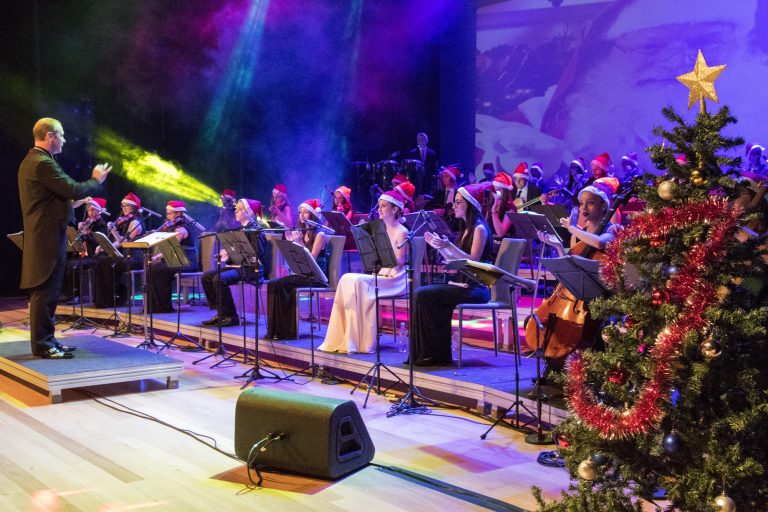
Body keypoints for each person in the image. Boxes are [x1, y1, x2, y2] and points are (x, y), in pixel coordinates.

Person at [18, 117, 111, 358]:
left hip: (47, 236)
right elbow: (72, 188)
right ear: (50, 136)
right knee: (45, 294)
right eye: (61, 135)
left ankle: (49, 340)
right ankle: (43, 345)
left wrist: (73, 201)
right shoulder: (41, 163)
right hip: (46, 238)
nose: (64, 140)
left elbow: (57, 197)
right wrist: (96, 179)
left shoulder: (36, 160)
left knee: (50, 293)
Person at [409, 183, 493, 366]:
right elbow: (456, 261)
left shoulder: (479, 229)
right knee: (420, 293)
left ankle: (434, 355)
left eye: (458, 202)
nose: (453, 206)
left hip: (476, 288)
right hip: (463, 284)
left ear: (470, 205)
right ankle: (430, 353)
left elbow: (473, 261)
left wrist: (449, 246)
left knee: (424, 294)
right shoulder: (467, 229)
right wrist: (439, 247)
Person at [318, 190, 409, 354]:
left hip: (395, 279)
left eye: (384, 206)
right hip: (382, 274)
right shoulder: (380, 229)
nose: (379, 210)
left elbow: (400, 262)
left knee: (359, 282)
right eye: (379, 206)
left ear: (395, 209)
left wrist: (381, 250)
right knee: (346, 278)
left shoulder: (402, 231)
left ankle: (361, 341)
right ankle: (344, 336)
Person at [265, 199, 330, 339]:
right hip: (303, 274)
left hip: (316, 277)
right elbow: (297, 258)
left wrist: (299, 242)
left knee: (283, 284)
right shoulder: (302, 232)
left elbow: (311, 261)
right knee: (273, 284)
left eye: (306, 212)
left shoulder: (320, 234)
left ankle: (286, 331)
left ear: (313, 215)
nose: (301, 215)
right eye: (300, 212)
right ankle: (274, 329)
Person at [201, 198, 268, 327]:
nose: (236, 211)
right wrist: (228, 256)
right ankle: (221, 313)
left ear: (248, 212)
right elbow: (237, 254)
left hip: (252, 270)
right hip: (240, 267)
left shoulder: (256, 231)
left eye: (239, 209)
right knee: (207, 276)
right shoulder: (239, 229)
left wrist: (236, 254)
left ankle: (231, 316)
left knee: (219, 279)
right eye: (237, 208)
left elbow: (257, 256)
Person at [92, 193, 144, 308]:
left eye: (127, 206)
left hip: (135, 258)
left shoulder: (135, 222)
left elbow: (124, 242)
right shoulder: (129, 221)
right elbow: (121, 241)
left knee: (105, 262)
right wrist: (104, 246)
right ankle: (107, 298)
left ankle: (113, 297)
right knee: (101, 260)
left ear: (134, 208)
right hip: (126, 256)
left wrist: (114, 231)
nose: (124, 208)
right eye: (122, 206)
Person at [147, 201, 198, 314]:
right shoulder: (172, 228)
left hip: (186, 262)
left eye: (170, 214)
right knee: (154, 268)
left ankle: (163, 307)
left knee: (159, 269)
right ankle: (154, 306)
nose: (167, 216)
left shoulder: (181, 230)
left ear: (178, 214)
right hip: (174, 261)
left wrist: (156, 257)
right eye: (167, 213)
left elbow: (171, 248)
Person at [61, 197, 109, 304]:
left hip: (96, 257)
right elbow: (80, 241)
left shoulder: (101, 224)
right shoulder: (89, 222)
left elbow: (99, 244)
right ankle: (69, 294)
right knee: (65, 263)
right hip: (86, 255)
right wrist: (79, 233)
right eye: (88, 210)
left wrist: (87, 235)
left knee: (73, 265)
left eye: (93, 210)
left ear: (99, 211)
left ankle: (76, 296)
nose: (90, 213)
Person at [487, 171, 516, 238]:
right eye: (494, 189)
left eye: (499, 189)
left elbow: (500, 234)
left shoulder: (510, 209)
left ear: (505, 191)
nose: (496, 192)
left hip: (504, 243)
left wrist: (494, 211)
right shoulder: (490, 204)